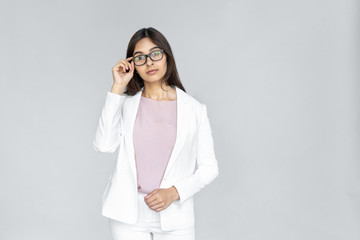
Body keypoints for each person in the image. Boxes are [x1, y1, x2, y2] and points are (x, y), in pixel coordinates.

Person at [93, 27, 219, 240]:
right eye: (140, 57)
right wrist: (116, 89)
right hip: (128, 214)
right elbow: (104, 145)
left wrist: (174, 192)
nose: (149, 62)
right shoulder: (125, 106)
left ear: (167, 57)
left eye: (155, 54)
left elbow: (210, 168)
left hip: (175, 216)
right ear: (132, 65)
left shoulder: (194, 109)